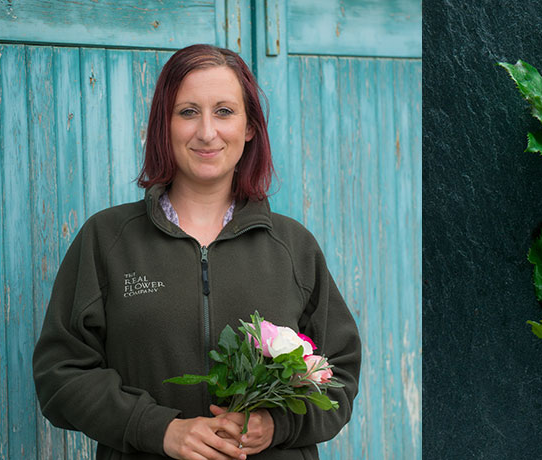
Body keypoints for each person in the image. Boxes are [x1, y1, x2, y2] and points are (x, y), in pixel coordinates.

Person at [33, 44, 361, 460]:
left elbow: (340, 374)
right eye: (188, 112)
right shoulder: (108, 239)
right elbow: (59, 375)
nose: (207, 132)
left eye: (224, 111)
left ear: (249, 128)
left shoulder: (293, 247)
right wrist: (159, 430)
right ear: (163, 126)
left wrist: (278, 424)